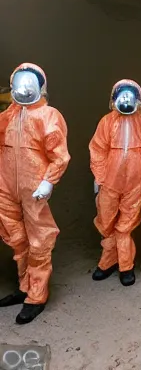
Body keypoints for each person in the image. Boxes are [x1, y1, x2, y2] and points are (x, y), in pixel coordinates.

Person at [0, 63, 70, 324]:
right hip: (6, 186)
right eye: (20, 83)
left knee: (39, 240)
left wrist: (48, 181)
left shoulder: (49, 116)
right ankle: (24, 287)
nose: (24, 89)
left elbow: (59, 155)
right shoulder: (8, 115)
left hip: (34, 188)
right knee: (17, 238)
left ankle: (36, 296)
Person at [89, 80, 141, 286]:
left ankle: (125, 266)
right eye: (121, 96)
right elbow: (98, 151)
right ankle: (109, 260)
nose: (125, 100)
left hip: (134, 183)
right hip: (110, 182)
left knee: (125, 226)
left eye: (129, 97)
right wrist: (99, 178)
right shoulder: (106, 122)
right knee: (106, 223)